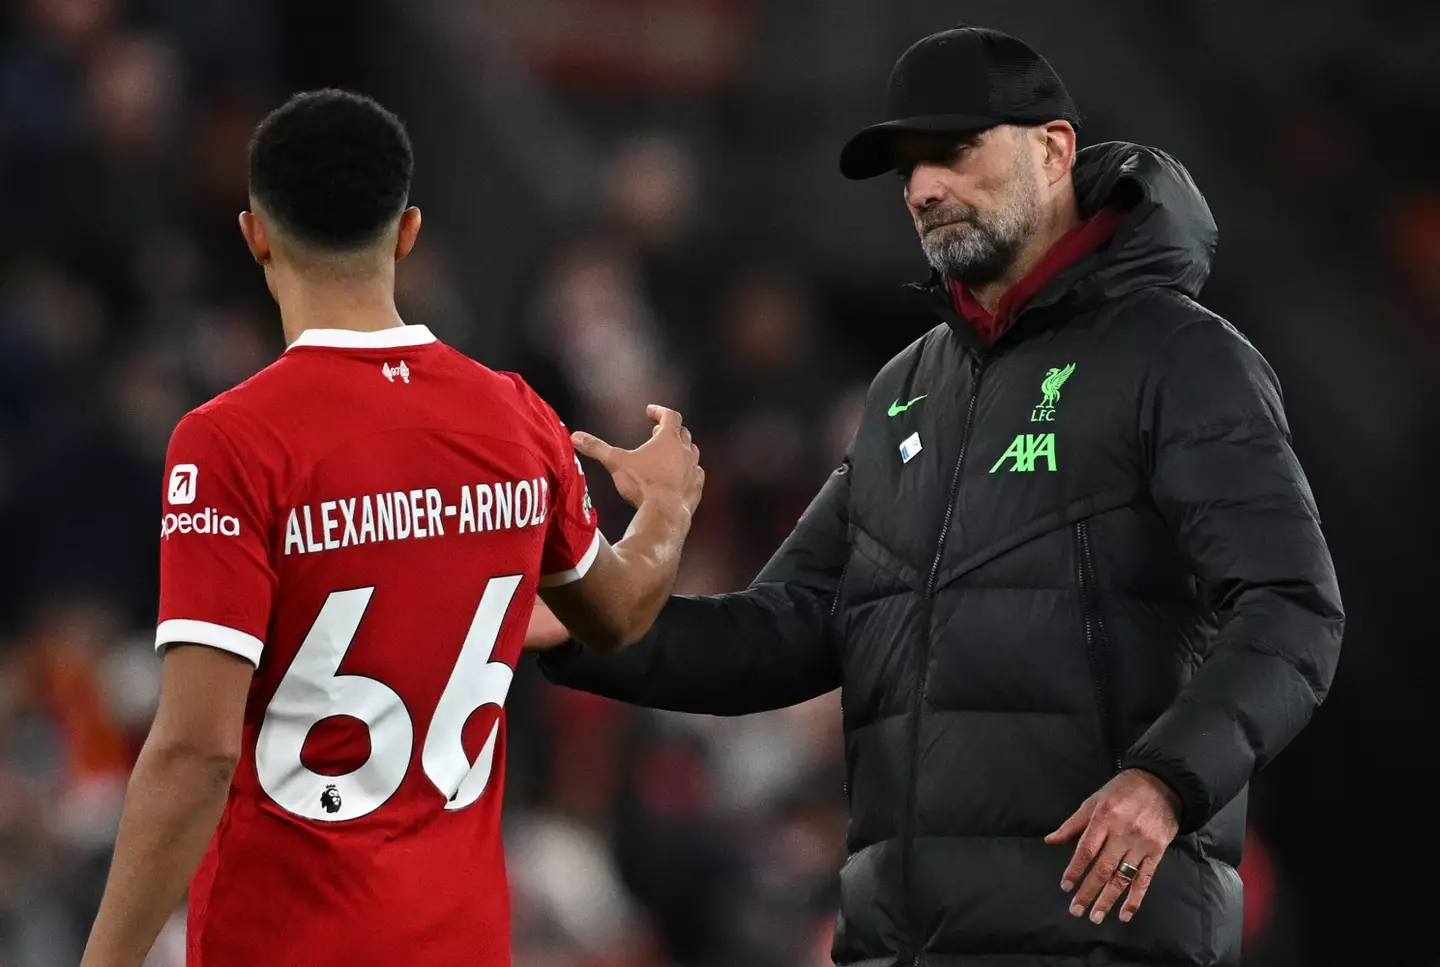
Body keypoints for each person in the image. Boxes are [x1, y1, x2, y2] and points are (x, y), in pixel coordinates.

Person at [532, 25, 1343, 967]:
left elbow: (1292, 607)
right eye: (907, 168)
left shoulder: (1181, 358)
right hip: (903, 942)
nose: (922, 189)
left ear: (1052, 148)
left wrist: (1167, 781)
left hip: (1093, 939)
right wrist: (587, 619)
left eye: (953, 151)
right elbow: (787, 628)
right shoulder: (906, 390)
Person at [80, 90, 704, 967]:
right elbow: (621, 612)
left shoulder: (229, 441)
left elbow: (194, 753)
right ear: (407, 233)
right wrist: (667, 510)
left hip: (283, 944)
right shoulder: (515, 418)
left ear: (255, 233)